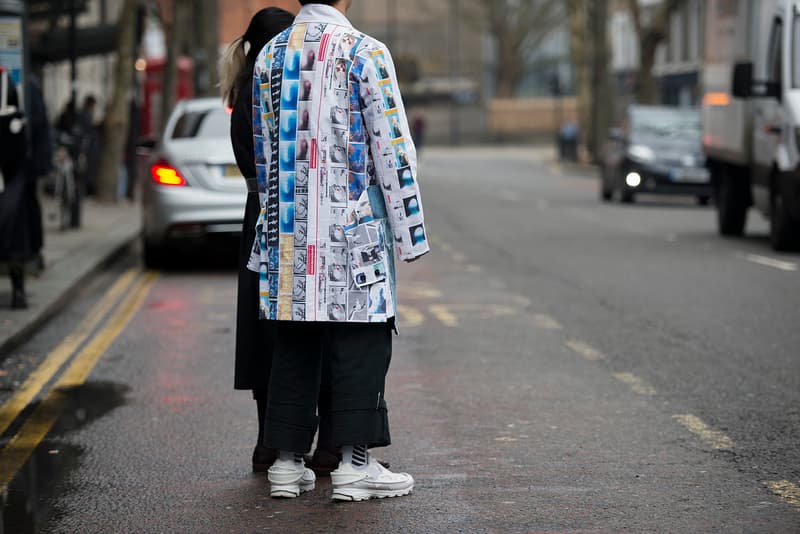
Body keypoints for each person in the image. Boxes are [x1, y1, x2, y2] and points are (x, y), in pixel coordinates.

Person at [250, 0, 429, 501]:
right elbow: (392, 148)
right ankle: (354, 463)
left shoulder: (268, 57)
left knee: (294, 345)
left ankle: (285, 464)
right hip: (355, 233)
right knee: (362, 340)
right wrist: (410, 233)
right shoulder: (365, 53)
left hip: (287, 233)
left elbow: (265, 156)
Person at [219, 6, 296, 474]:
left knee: (261, 325)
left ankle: (267, 441)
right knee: (291, 325)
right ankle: (301, 441)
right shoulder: (273, 91)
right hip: (283, 212)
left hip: (256, 216)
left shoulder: (244, 88)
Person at [0, 67, 34, 309]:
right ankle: (18, 292)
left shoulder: (14, 119)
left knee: (13, 241)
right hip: (13, 187)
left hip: (10, 187)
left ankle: (19, 291)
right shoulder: (16, 119)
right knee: (14, 243)